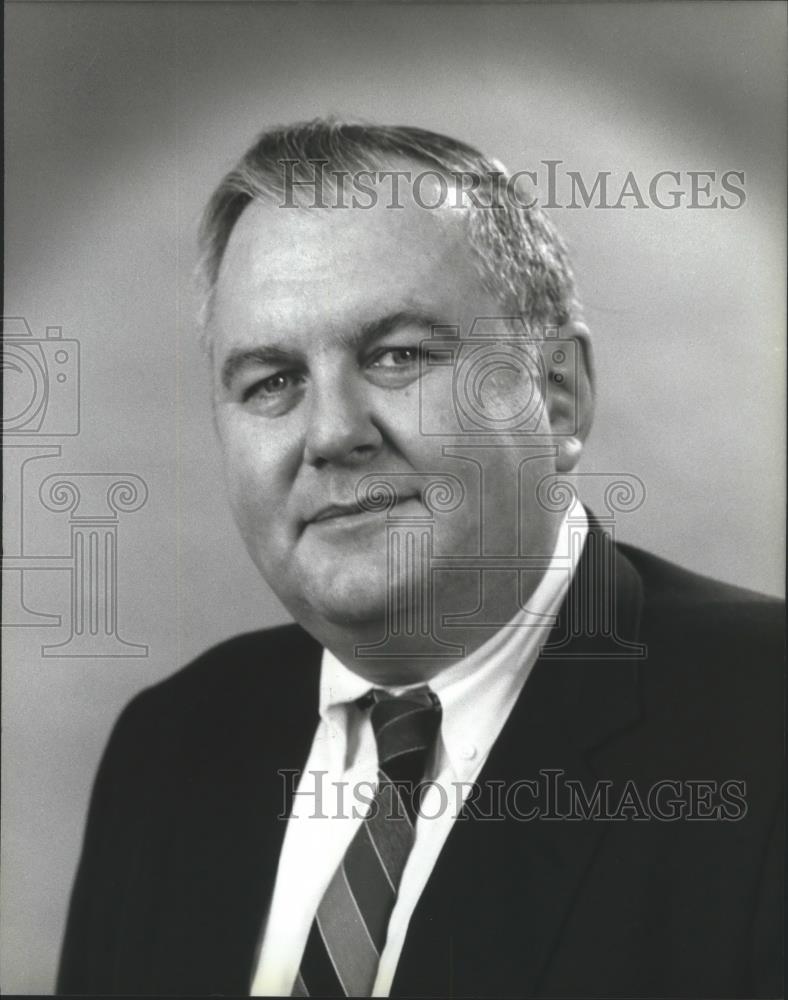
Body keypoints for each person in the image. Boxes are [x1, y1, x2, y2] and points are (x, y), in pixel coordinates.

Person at [57, 120, 783, 998]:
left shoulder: (763, 720)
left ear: (558, 395)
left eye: (398, 356)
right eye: (272, 381)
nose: (331, 434)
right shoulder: (167, 748)